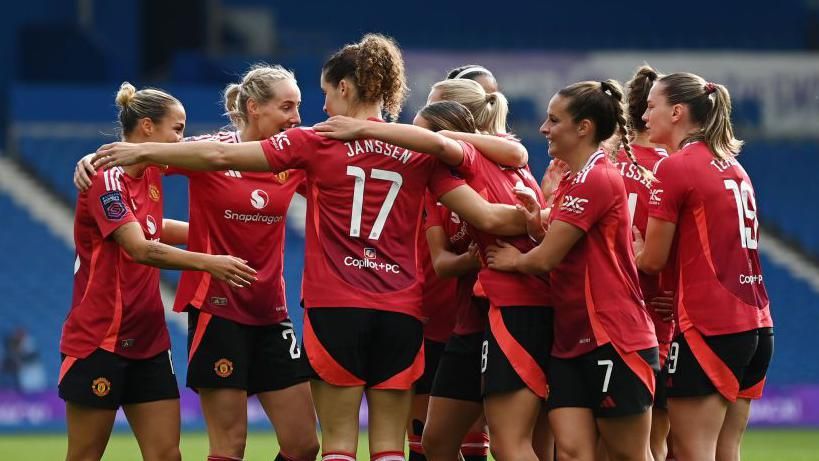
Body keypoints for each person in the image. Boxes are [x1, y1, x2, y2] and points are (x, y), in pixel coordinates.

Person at [89, 34, 526, 461]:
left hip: (335, 304)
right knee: (391, 446)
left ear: (344, 87)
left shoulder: (317, 142)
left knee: (334, 444)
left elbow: (217, 159)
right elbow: (490, 204)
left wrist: (132, 152)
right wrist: (537, 218)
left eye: (322, 94)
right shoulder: (419, 151)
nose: (318, 108)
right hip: (400, 307)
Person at [74, 66, 320, 461]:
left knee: (304, 445)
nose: (296, 117)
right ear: (254, 107)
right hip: (217, 313)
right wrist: (93, 159)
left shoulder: (293, 159)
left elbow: (342, 179)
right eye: (287, 106)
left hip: (271, 313)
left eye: (299, 106)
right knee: (230, 444)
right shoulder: (209, 150)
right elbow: (137, 158)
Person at [60, 82, 256, 461]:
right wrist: (208, 260)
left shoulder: (151, 166)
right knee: (84, 455)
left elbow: (154, 221)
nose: (182, 138)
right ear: (147, 127)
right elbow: (139, 247)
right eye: (177, 128)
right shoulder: (106, 179)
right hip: (99, 338)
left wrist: (217, 236)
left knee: (167, 455)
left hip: (149, 340)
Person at [485, 80, 659, 461]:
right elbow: (564, 240)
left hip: (613, 336)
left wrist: (515, 261)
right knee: (573, 453)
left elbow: (547, 258)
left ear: (584, 127)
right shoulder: (574, 181)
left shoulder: (594, 178)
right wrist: (535, 222)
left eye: (554, 120)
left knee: (629, 455)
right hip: (571, 340)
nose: (544, 129)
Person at [635, 72, 773, 461]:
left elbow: (651, 260)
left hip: (710, 326)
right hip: (757, 324)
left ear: (676, 112)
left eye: (651, 106)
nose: (644, 117)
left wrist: (634, 247)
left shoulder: (675, 167)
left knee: (691, 452)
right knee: (727, 451)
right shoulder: (733, 166)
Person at [616, 64, 673, 461]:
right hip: (662, 315)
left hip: (609, 313)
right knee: (659, 443)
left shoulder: (599, 165)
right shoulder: (673, 169)